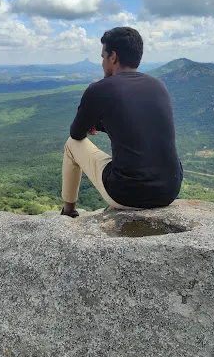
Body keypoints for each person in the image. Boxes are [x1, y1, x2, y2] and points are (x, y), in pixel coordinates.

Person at [61, 26, 183, 217]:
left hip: (127, 194)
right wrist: (101, 125)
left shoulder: (99, 89)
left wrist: (92, 123)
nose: (102, 63)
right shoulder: (158, 86)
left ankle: (68, 212)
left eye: (103, 57)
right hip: (169, 191)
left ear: (113, 57)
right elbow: (136, 124)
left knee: (71, 145)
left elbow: (76, 133)